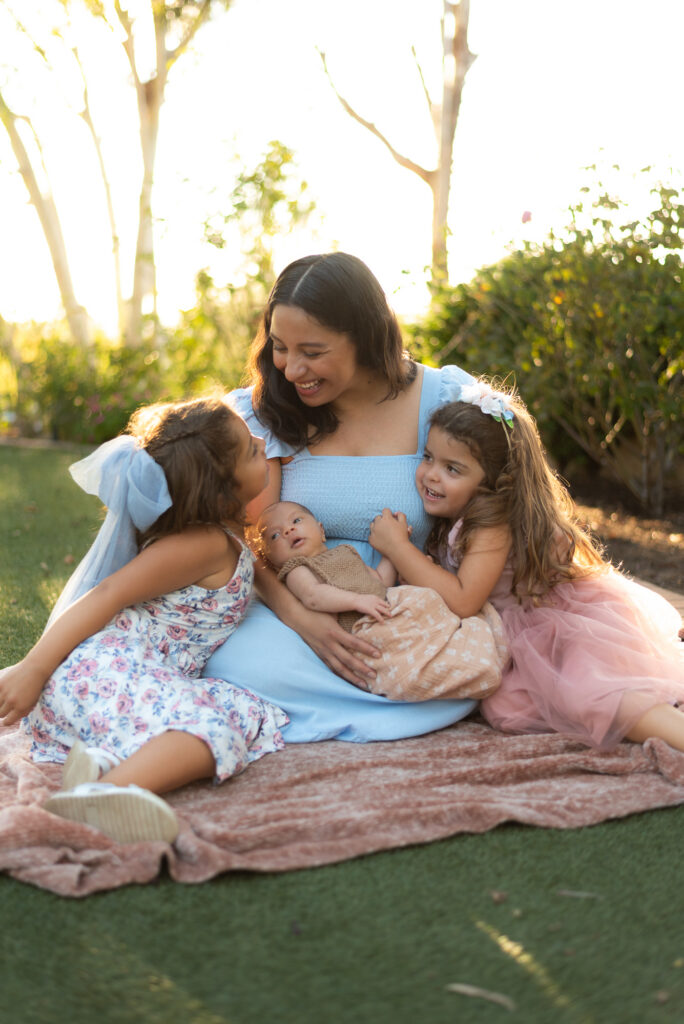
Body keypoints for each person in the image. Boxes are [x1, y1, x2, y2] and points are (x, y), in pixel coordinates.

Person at [204, 252, 481, 742]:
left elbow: (492, 516)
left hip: (406, 607)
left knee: (461, 662)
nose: (290, 370)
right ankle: (361, 701)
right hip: (289, 601)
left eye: (312, 351)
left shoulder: (444, 398)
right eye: (280, 347)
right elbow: (245, 537)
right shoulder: (264, 413)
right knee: (240, 660)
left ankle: (382, 697)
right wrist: (303, 618)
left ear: (367, 336)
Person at [0, 396, 288, 843]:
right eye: (251, 450)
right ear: (219, 492)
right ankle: (105, 794)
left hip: (120, 674)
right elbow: (109, 593)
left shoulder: (222, 536)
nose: (258, 440)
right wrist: (34, 667)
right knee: (213, 734)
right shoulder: (202, 544)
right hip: (102, 668)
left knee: (241, 708)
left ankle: (101, 762)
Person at [367, 380, 684, 752]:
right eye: (428, 457)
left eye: (453, 469)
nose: (432, 475)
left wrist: (397, 547)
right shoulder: (460, 514)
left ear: (495, 480)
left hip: (555, 627)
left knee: (590, 694)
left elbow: (465, 599)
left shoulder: (491, 522)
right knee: (507, 703)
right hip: (516, 630)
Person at [252, 500, 507, 701]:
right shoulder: (296, 569)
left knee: (425, 599)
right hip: (362, 625)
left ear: (321, 531)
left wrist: (392, 553)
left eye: (296, 520)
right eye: (274, 536)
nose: (287, 530)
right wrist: (356, 601)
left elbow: (379, 581)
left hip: (381, 606)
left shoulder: (344, 553)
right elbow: (313, 597)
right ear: (272, 560)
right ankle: (445, 668)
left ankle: (457, 648)